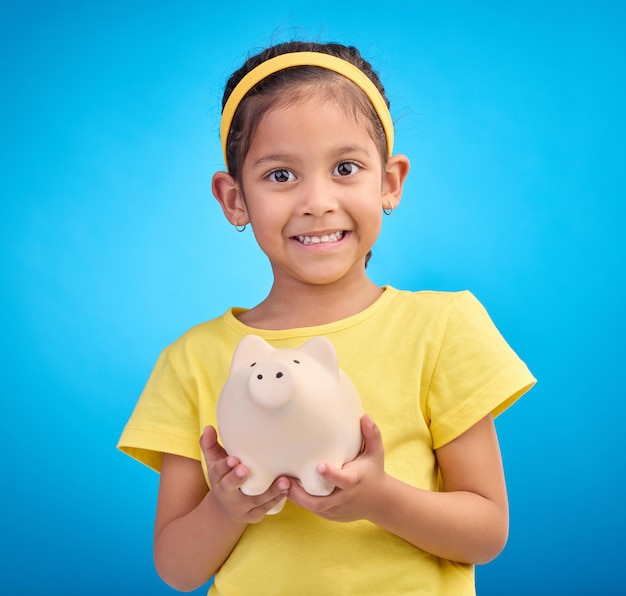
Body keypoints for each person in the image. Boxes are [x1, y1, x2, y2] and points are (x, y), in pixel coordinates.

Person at [118, 39, 536, 595]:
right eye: (281, 175)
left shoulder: (442, 329)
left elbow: (486, 534)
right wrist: (226, 506)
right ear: (233, 198)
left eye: (345, 167)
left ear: (389, 182)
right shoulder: (193, 361)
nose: (317, 200)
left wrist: (379, 498)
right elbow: (177, 568)